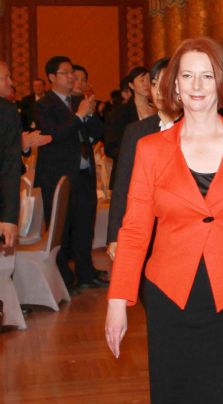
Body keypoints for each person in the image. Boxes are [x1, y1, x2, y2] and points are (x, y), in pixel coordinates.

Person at [105, 37, 223, 404]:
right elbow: (134, 230)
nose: (196, 86)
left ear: (221, 82)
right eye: (188, 76)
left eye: (207, 76)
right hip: (171, 293)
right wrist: (118, 301)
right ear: (174, 84)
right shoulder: (150, 149)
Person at [35, 56, 104, 291]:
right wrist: (78, 117)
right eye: (65, 73)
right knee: (62, 228)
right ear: (52, 77)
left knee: (85, 224)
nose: (71, 76)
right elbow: (54, 135)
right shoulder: (44, 104)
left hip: (84, 173)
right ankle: (64, 278)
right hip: (58, 176)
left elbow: (98, 131)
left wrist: (90, 112)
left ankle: (86, 273)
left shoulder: (78, 101)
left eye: (72, 72)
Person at [105, 57, 178, 260]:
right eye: (154, 84)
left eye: (166, 84)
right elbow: (122, 186)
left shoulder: (195, 129)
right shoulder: (137, 132)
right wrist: (114, 235)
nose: (159, 90)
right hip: (146, 227)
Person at [104, 66, 156, 189]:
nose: (146, 84)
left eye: (149, 80)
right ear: (131, 85)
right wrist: (136, 156)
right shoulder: (119, 113)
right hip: (128, 172)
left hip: (154, 171)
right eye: (142, 80)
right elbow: (110, 147)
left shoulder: (158, 110)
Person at [0, 61, 22, 253]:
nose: (11, 82)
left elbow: (10, 166)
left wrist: (8, 217)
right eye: (6, 77)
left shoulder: (6, 111)